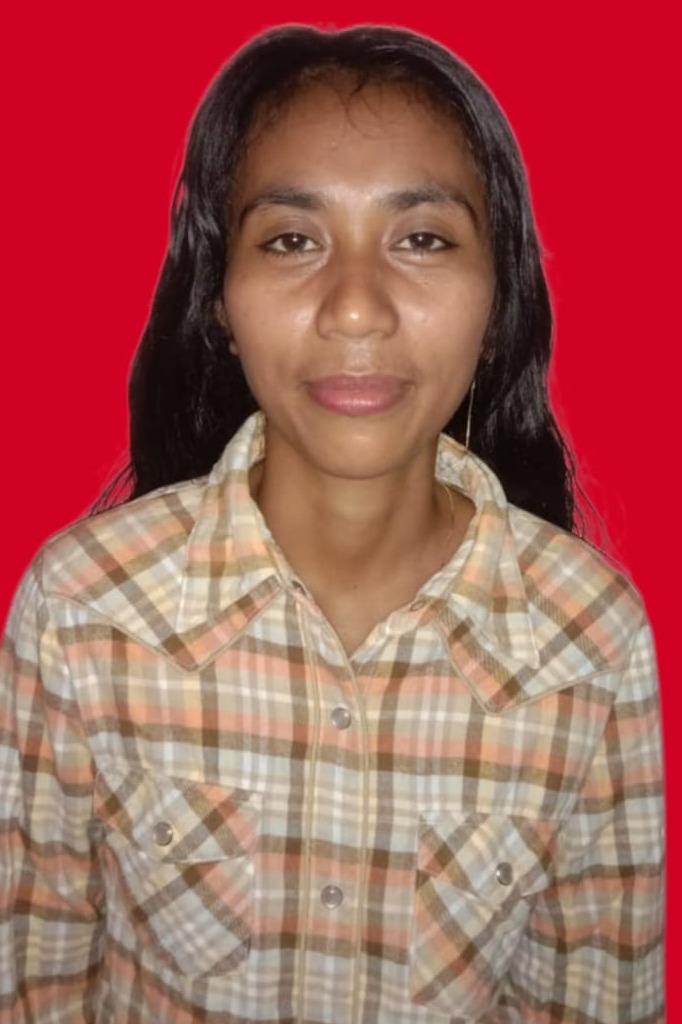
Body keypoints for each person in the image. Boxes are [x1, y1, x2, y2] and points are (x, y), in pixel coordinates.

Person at [0, 23, 664, 1024]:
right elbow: (31, 985)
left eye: (422, 239)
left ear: (498, 301)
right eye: (292, 240)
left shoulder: (588, 641)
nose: (356, 309)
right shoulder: (85, 611)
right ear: (219, 301)